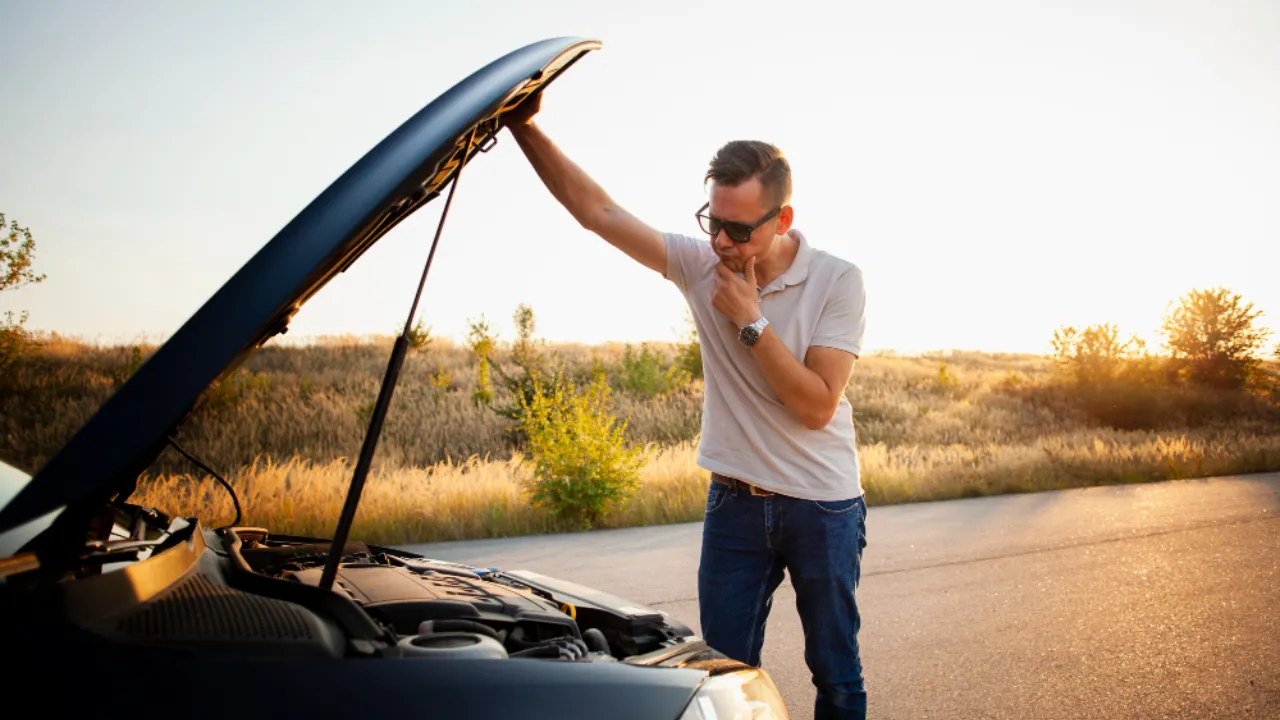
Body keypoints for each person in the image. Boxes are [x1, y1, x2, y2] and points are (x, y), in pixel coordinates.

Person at [503, 90, 869, 720]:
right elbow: (599, 212)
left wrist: (751, 323)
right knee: (716, 676)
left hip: (823, 508)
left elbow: (815, 406)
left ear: (782, 220)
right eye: (713, 222)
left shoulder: (839, 280)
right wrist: (522, 125)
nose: (721, 243)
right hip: (734, 506)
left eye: (738, 229)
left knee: (835, 675)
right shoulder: (700, 263)